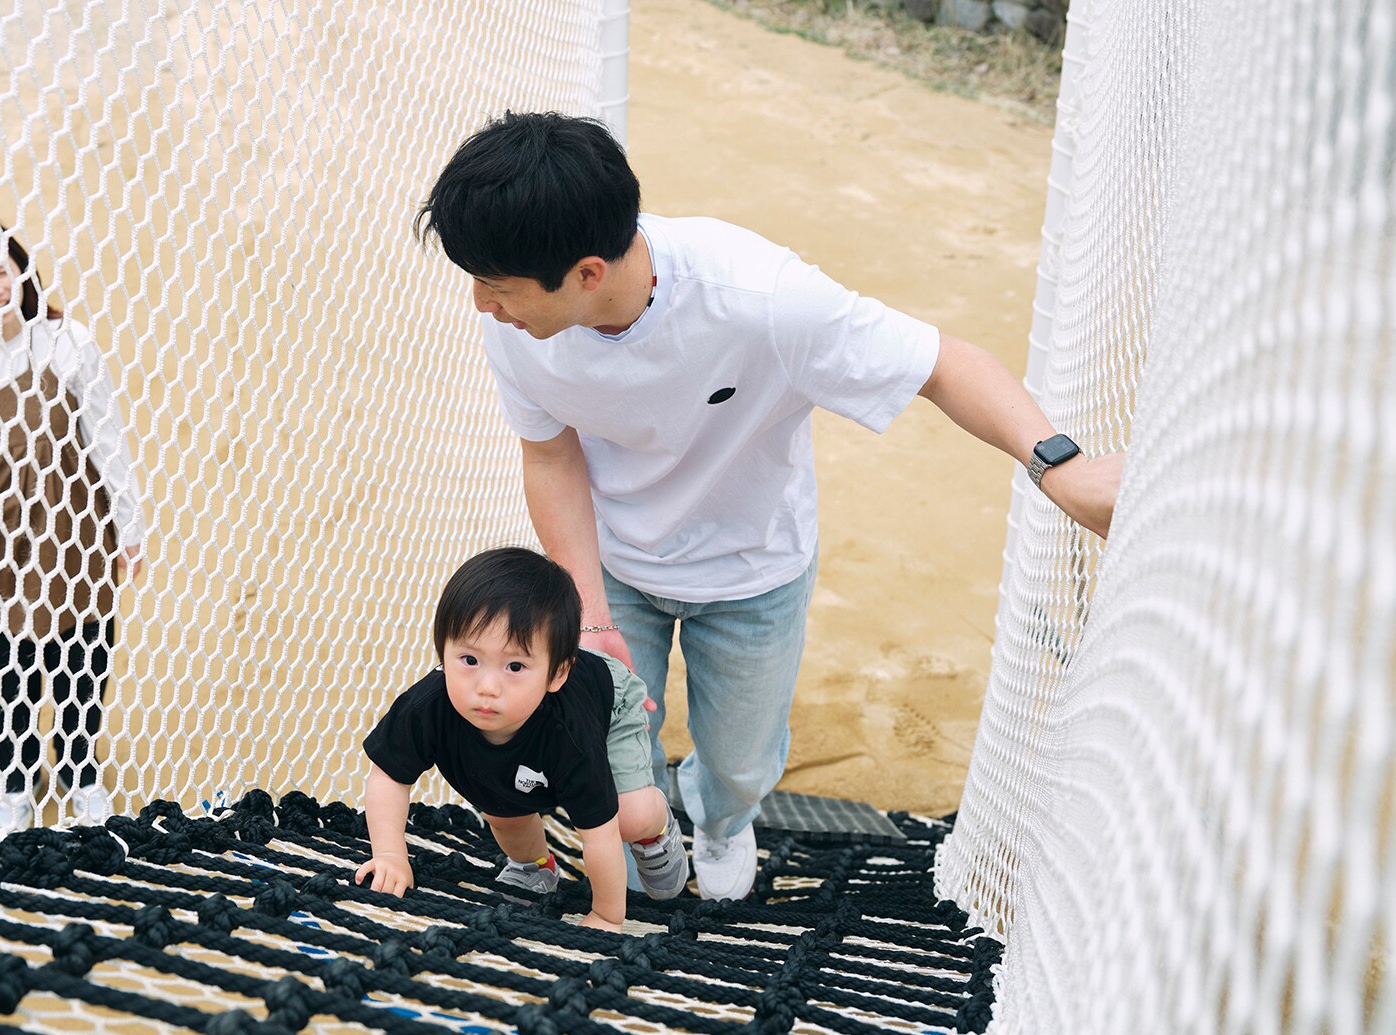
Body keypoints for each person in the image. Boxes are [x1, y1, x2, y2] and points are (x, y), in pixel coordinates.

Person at [417, 112, 1122, 900]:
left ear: (585, 273)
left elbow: (943, 364)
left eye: (496, 287)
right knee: (609, 741)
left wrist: (1062, 468)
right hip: (615, 557)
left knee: (740, 754)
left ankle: (723, 821)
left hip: (753, 565)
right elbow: (549, 453)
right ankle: (648, 833)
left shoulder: (762, 298)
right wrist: (589, 611)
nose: (482, 304)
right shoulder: (522, 323)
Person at [0, 217, 148, 842]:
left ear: (21, 272)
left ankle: (77, 769)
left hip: (71, 523)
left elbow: (107, 436)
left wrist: (130, 524)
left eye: (1, 271)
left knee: (81, 652)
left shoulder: (67, 341)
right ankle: (15, 784)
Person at [355, 547, 690, 932]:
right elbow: (389, 777)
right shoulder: (427, 706)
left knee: (627, 815)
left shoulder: (570, 732)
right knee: (500, 807)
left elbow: (599, 835)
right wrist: (392, 855)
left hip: (608, 703)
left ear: (555, 675)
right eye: (469, 660)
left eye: (514, 666)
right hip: (530, 740)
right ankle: (535, 867)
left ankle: (657, 832)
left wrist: (607, 915)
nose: (487, 687)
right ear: (443, 651)